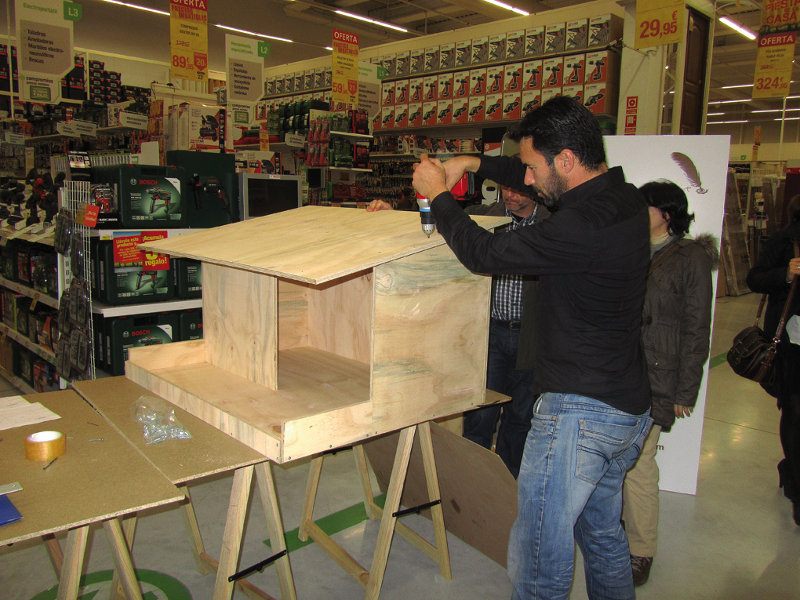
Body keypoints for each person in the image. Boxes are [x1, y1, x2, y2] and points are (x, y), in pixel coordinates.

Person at [411, 95, 653, 600]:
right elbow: (533, 177)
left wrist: (440, 196)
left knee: (540, 557)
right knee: (603, 537)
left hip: (579, 415)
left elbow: (484, 253)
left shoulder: (576, 228)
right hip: (627, 407)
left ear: (566, 159)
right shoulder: (625, 198)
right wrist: (474, 163)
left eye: (533, 167)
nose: (527, 179)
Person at [370, 177, 548, 478]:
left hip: (531, 336)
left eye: (518, 190)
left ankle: (505, 485)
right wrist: (394, 216)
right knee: (479, 412)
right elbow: (442, 224)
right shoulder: (487, 216)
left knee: (520, 418)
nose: (511, 196)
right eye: (507, 189)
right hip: (489, 332)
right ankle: (474, 482)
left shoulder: (549, 223)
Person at [622, 180, 718, 586]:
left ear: (665, 212)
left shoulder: (690, 258)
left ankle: (641, 550)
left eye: (644, 206)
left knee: (640, 463)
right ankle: (615, 534)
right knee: (617, 461)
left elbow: (698, 328)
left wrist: (685, 390)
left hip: (659, 374)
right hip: (619, 369)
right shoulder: (628, 248)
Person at [746, 194, 800, 526]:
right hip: (792, 344)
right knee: (794, 408)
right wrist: (786, 273)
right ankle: (795, 480)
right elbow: (755, 279)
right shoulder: (784, 241)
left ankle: (789, 469)